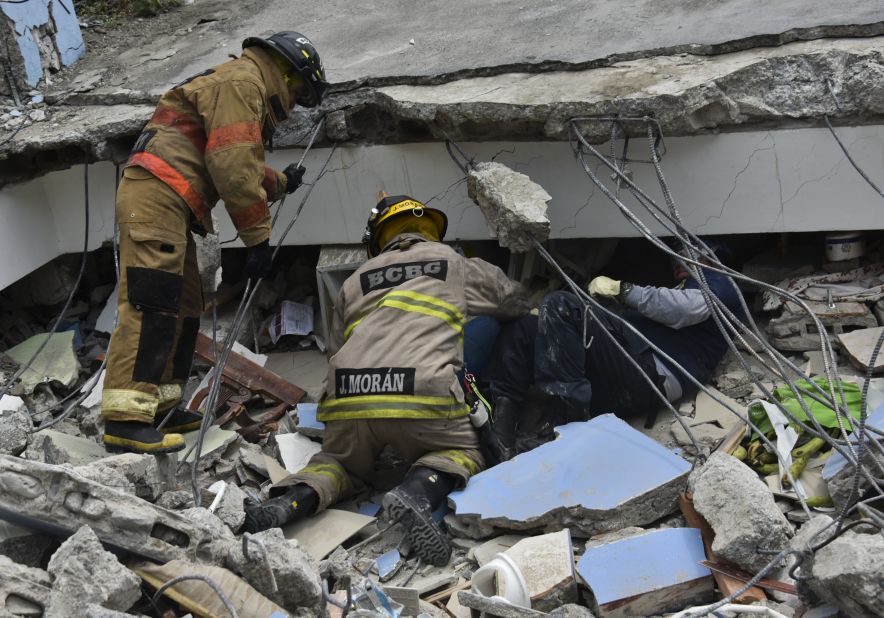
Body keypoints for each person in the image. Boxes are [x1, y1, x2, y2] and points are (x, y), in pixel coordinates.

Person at [244, 193, 530, 565]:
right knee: (463, 452)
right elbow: (513, 301)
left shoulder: (354, 281)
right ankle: (418, 492)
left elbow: (335, 350)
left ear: (379, 238)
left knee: (338, 463)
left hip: (351, 400)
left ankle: (291, 500)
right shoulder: (452, 263)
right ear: (429, 229)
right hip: (423, 397)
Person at [101, 32, 329, 454]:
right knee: (151, 303)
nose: (294, 104)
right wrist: (258, 241)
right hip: (157, 195)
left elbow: (229, 155)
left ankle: (163, 406)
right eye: (298, 92)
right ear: (285, 72)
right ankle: (125, 419)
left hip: (171, 199)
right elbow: (231, 166)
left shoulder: (242, 84)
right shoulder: (244, 83)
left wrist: (281, 182)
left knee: (184, 303)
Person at [485, 242, 745, 461]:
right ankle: (501, 432)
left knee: (561, 304)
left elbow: (686, 309)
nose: (678, 260)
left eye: (687, 254)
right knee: (524, 326)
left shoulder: (719, 281)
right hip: (625, 371)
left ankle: (563, 426)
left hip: (653, 375)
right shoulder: (681, 287)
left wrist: (624, 290)